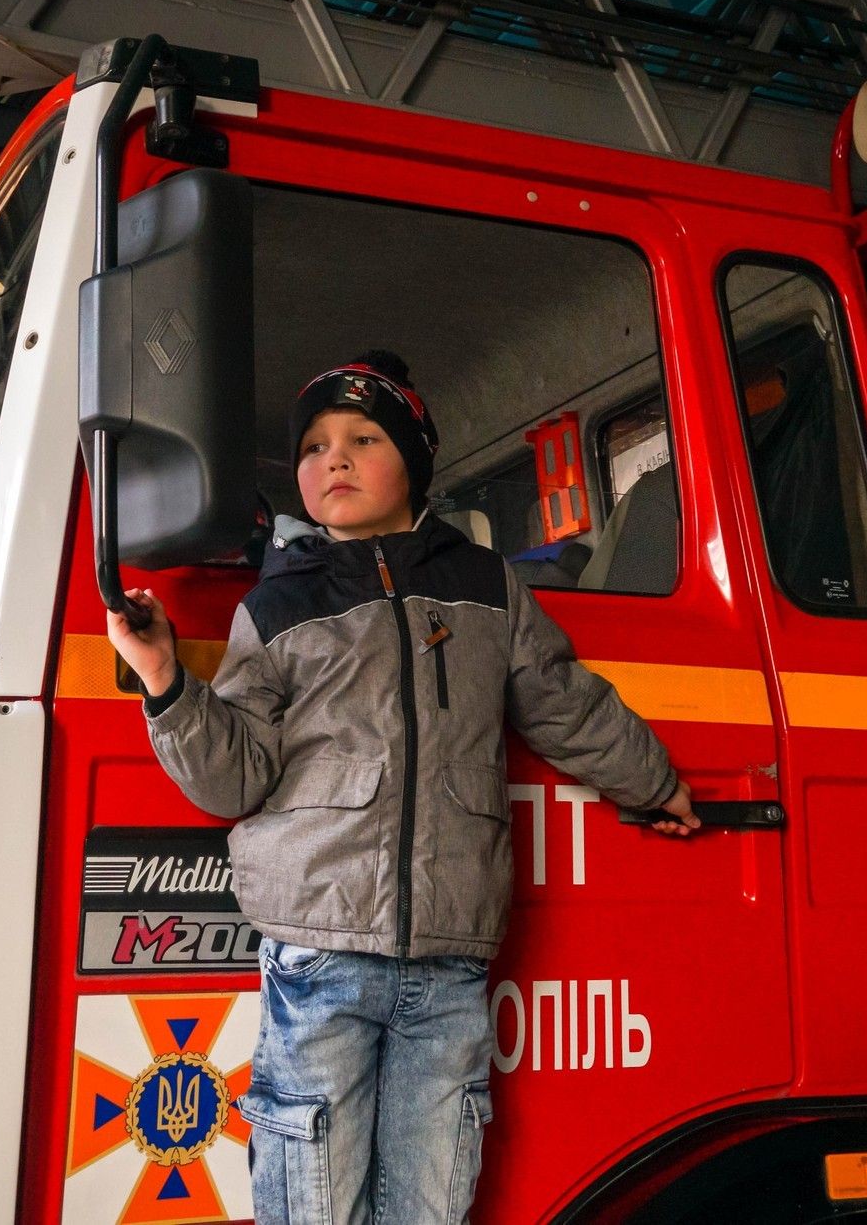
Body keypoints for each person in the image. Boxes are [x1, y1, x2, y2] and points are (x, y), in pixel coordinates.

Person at [106, 349, 698, 1224]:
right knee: (314, 1199)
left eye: (362, 437)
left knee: (432, 1202)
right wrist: (162, 677)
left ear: (414, 461)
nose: (331, 459)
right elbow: (233, 777)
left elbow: (563, 704)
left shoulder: (486, 586)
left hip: (451, 964)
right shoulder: (277, 605)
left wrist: (654, 785)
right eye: (312, 446)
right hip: (320, 956)